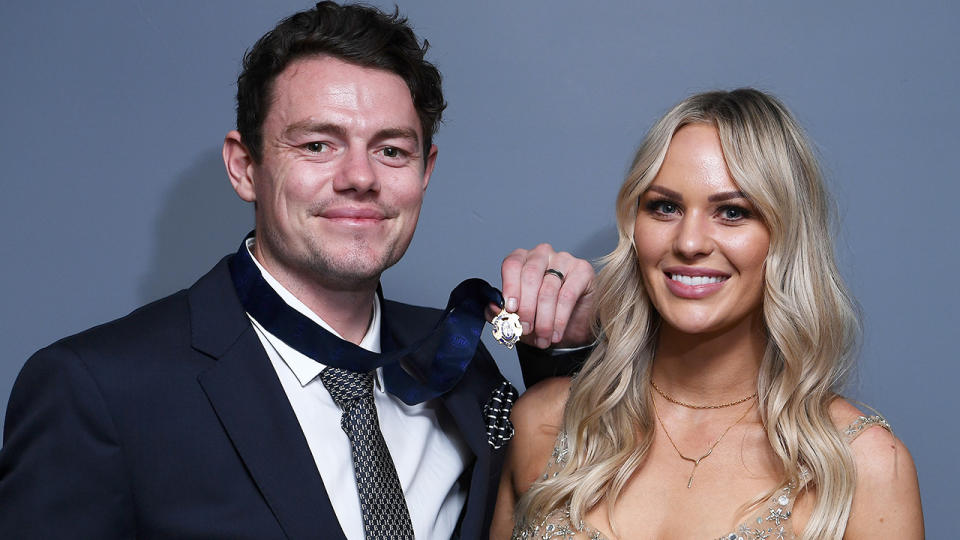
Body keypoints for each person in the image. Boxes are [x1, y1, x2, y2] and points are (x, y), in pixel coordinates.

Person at [0, 3, 593, 539]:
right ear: (244, 167)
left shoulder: (461, 358)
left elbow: (567, 484)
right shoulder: (98, 389)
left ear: (425, 171)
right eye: (317, 145)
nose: (359, 177)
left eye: (391, 150)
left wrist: (563, 347)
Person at [492, 89, 923, 539]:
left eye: (732, 212)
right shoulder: (544, 422)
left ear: (787, 236)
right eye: (665, 207)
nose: (689, 242)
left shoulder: (862, 464)